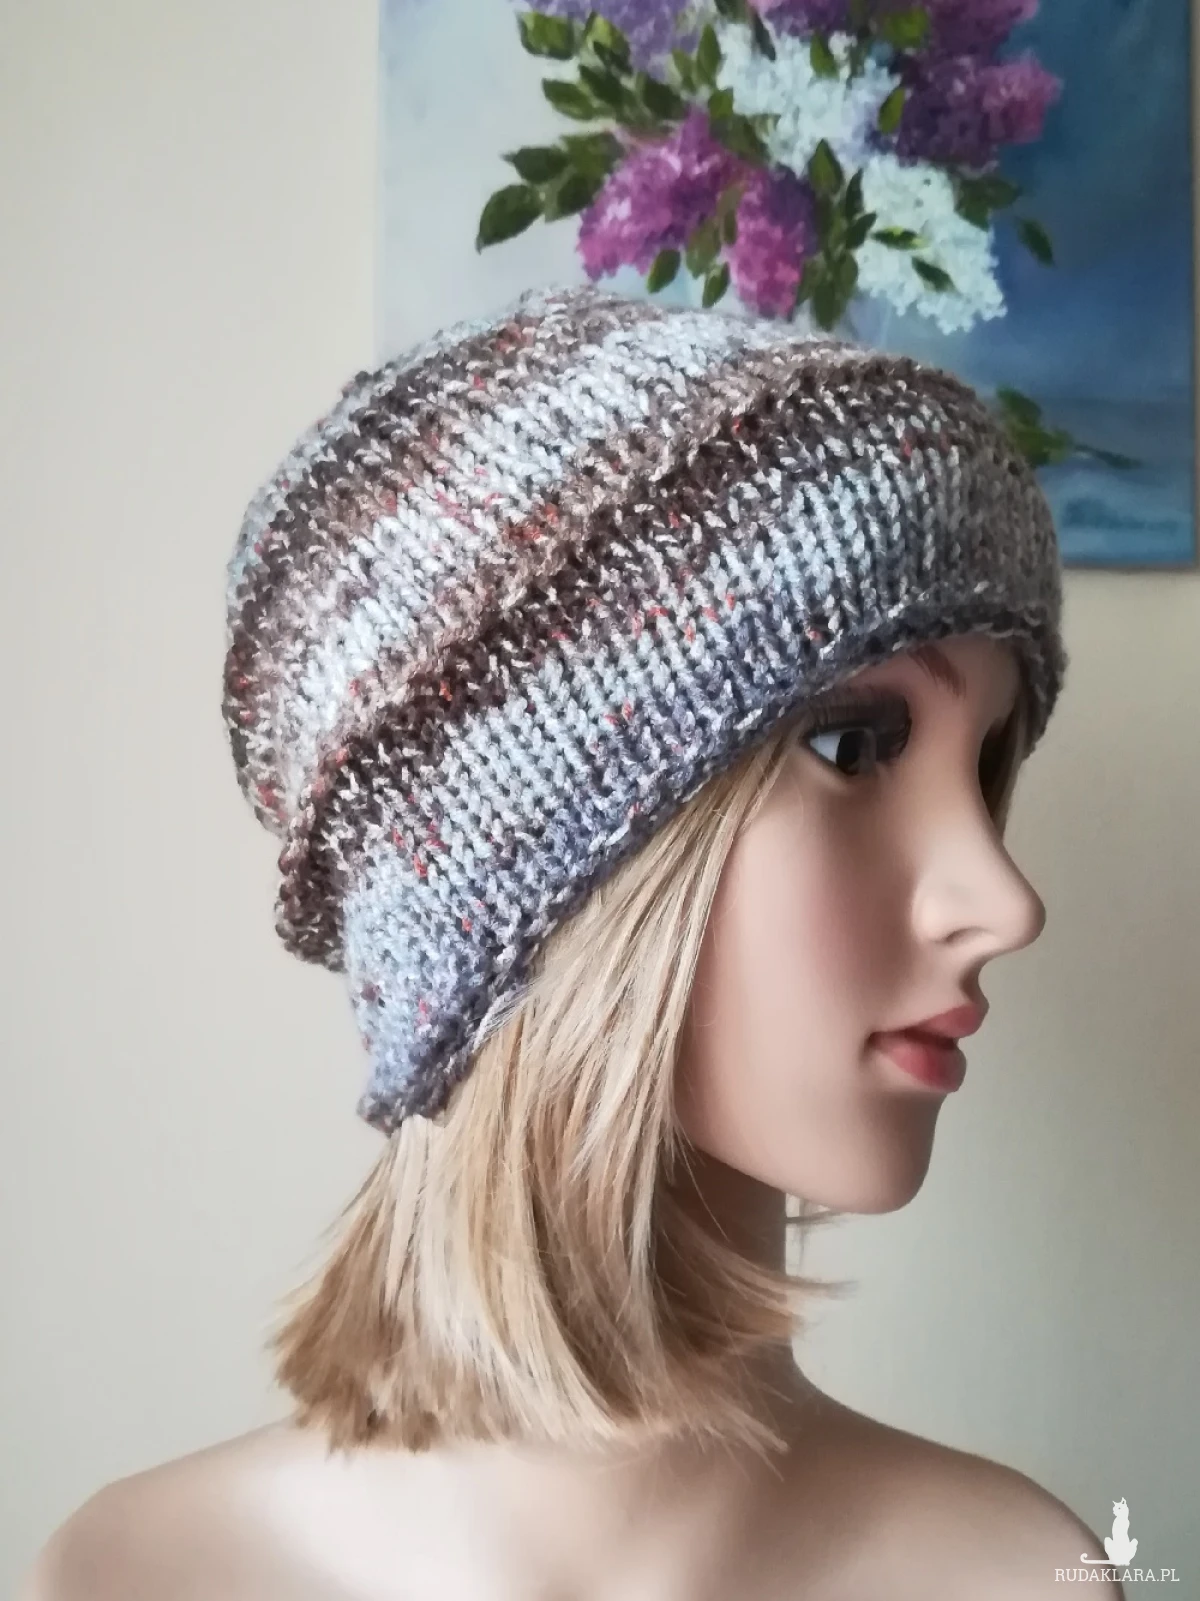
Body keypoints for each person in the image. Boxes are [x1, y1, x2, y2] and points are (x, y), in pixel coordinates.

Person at [21, 285, 1124, 1599]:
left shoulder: (1027, 1574)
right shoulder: (134, 1577)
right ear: (530, 878)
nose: (1003, 900)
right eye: (852, 743)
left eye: (986, 764)